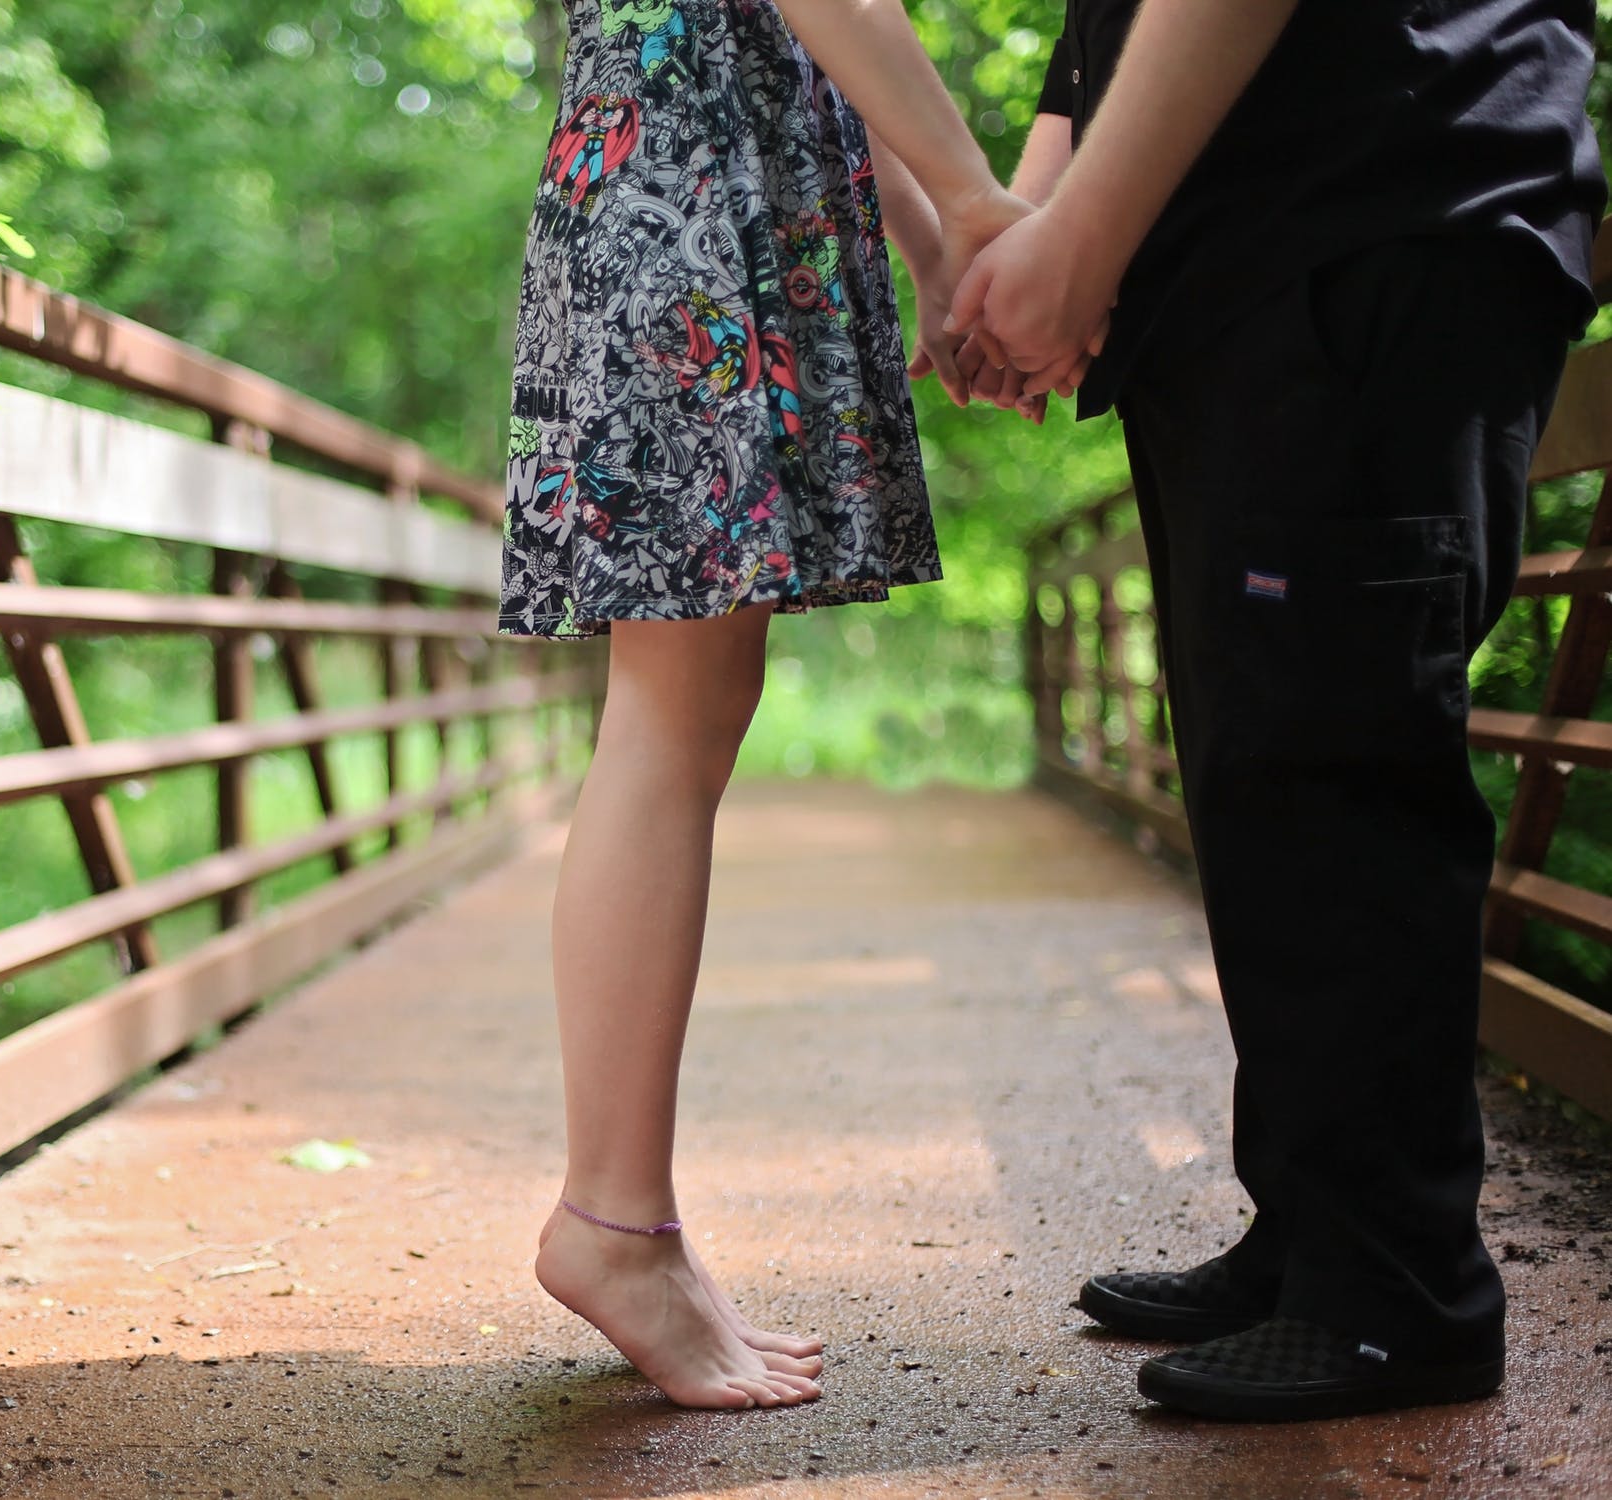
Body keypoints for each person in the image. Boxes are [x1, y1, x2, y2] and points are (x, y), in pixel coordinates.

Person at [952, 0, 1605, 1421]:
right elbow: (1097, 37)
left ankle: (1395, 1295)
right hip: (1239, 257)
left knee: (1336, 759)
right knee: (1264, 772)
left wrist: (1073, 238)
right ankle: (1316, 1234)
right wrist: (1032, 230)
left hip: (1383, 202)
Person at [500, 0, 1026, 1409]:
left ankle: (625, 1220)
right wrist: (974, 212)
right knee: (669, 710)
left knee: (690, 700)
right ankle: (613, 1223)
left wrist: (934, 244)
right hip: (692, 185)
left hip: (708, 175)